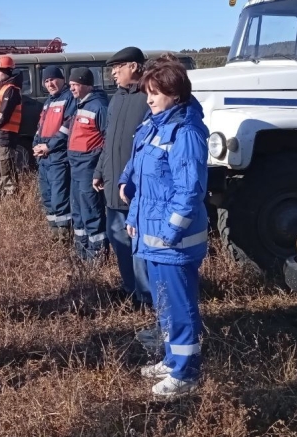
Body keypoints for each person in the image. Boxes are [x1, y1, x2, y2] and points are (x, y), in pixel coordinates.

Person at [119, 60, 209, 397]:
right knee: (164, 304)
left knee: (180, 305)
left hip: (174, 241)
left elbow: (189, 191)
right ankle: (173, 360)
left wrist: (171, 234)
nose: (148, 99)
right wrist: (132, 216)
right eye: (147, 93)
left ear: (174, 93)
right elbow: (141, 173)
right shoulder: (154, 125)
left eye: (154, 93)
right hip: (152, 236)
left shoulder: (186, 132)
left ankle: (186, 375)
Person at [93, 47, 154, 312]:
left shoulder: (148, 97)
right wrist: (99, 170)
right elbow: (109, 142)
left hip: (135, 187)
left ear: (134, 67)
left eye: (118, 67)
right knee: (117, 236)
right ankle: (129, 288)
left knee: (138, 242)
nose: (113, 73)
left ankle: (146, 296)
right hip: (112, 182)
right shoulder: (116, 98)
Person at [66, 67, 109, 260]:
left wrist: (97, 166)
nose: (72, 89)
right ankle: (81, 253)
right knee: (78, 212)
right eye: (71, 85)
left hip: (88, 168)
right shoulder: (80, 105)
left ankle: (97, 257)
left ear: (85, 85)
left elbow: (107, 140)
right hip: (75, 167)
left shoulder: (98, 106)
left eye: (75, 85)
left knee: (91, 212)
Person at [33, 65, 76, 240]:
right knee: (47, 197)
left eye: (53, 79)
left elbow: (67, 127)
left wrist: (49, 146)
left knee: (60, 197)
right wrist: (36, 145)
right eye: (47, 80)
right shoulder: (48, 102)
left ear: (62, 79)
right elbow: (40, 127)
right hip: (44, 157)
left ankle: (65, 235)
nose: (50, 83)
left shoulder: (69, 99)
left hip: (58, 157)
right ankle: (54, 234)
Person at [0, 55, 23, 196]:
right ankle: (0, 198)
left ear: (6, 71)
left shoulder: (11, 90)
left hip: (6, 135)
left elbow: (4, 115)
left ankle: (11, 200)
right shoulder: (0, 88)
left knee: (6, 171)